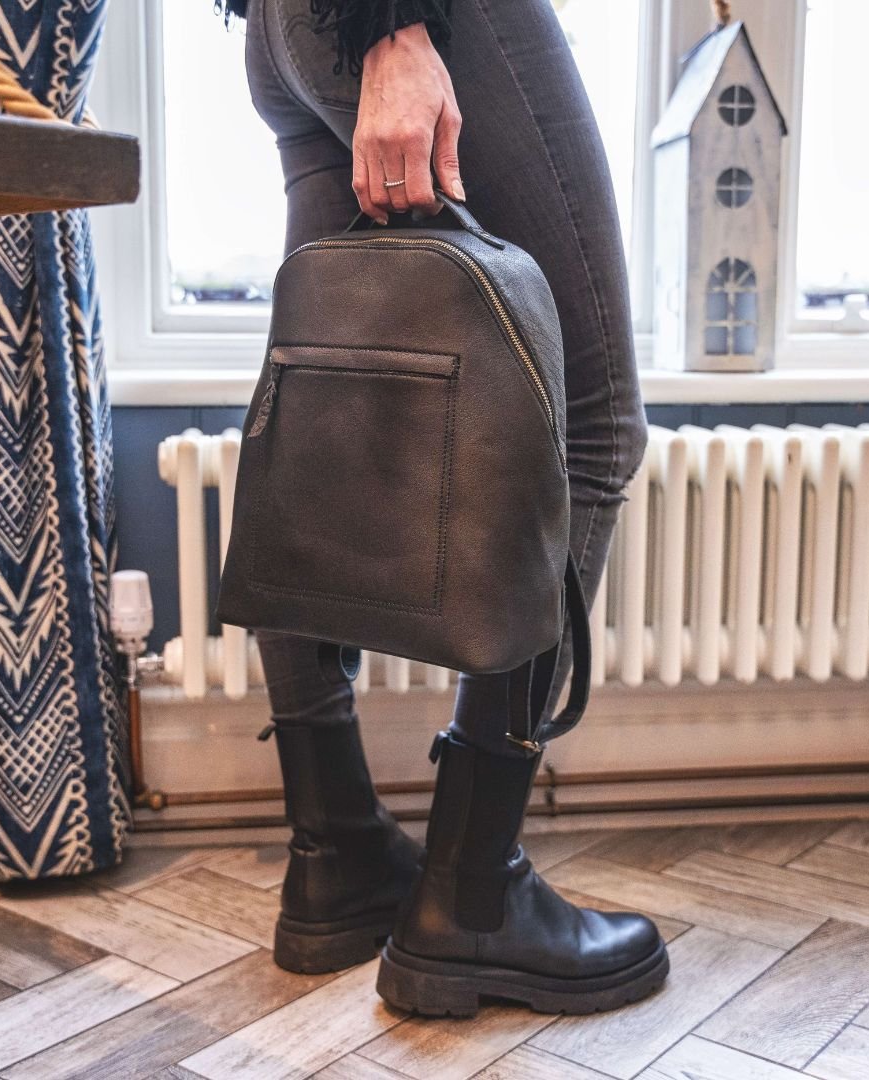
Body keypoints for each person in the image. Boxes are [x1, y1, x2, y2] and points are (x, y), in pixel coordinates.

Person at [221, 0, 668, 1016]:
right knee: (591, 423)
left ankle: (334, 858)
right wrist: (397, 27)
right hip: (409, 13)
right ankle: (473, 898)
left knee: (317, 414)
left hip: (284, 25)